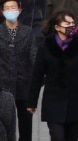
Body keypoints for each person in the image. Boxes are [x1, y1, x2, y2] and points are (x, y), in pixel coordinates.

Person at [27, 9, 78, 141]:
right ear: (57, 27)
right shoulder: (46, 45)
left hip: (75, 101)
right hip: (53, 100)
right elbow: (37, 74)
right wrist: (32, 101)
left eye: (72, 23)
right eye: (67, 23)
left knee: (72, 137)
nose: (71, 26)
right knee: (57, 137)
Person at [0, 0, 37, 141]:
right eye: (7, 8)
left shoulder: (28, 32)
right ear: (2, 11)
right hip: (3, 85)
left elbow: (34, 57)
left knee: (26, 125)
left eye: (13, 8)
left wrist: (35, 84)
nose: (10, 11)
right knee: (5, 124)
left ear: (20, 10)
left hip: (24, 85)